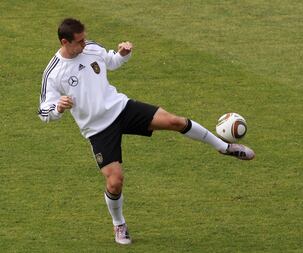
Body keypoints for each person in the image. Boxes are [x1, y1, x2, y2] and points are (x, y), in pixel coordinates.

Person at [38, 18, 255, 245]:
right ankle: (119, 224)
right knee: (115, 182)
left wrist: (122, 53)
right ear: (65, 42)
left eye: (84, 38)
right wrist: (58, 107)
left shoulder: (91, 48)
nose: (85, 44)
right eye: (79, 41)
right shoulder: (53, 73)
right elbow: (44, 111)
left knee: (175, 121)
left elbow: (110, 61)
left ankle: (225, 147)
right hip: (97, 129)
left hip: (121, 107)